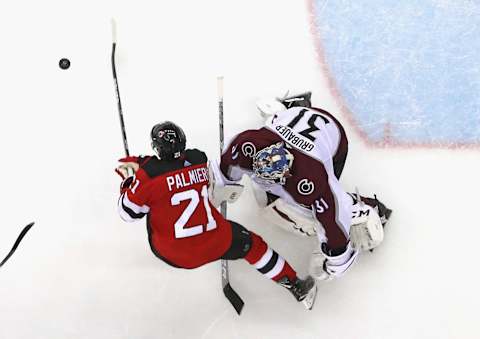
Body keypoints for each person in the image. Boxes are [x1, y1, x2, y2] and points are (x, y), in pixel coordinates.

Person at [115, 121, 317, 310]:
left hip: (173, 253)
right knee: (254, 245)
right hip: (216, 241)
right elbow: (173, 170)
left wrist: (130, 183)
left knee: (151, 208)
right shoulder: (198, 159)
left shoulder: (147, 177)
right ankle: (295, 285)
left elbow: (128, 214)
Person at [208, 92, 392, 282]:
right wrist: (222, 187)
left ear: (288, 172)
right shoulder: (247, 145)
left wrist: (333, 262)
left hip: (332, 138)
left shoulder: (311, 180)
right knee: (267, 199)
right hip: (295, 121)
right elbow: (226, 168)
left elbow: (332, 221)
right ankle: (289, 108)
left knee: (299, 216)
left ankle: (364, 210)